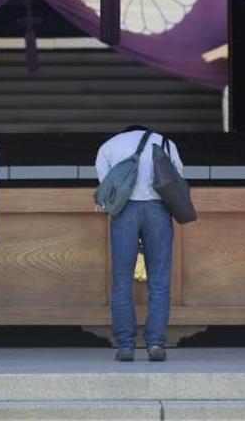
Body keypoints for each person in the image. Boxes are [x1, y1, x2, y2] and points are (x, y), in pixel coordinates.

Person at [94, 126, 183, 362]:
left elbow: (106, 184)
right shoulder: (165, 142)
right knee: (160, 280)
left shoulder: (110, 145)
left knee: (121, 281)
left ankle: (125, 346)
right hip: (158, 211)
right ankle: (155, 344)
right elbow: (177, 179)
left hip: (125, 212)